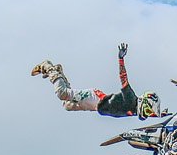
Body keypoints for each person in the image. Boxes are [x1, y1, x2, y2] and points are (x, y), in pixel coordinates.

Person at [32, 43, 160, 118]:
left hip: (94, 107)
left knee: (67, 106)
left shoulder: (133, 111)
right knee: (62, 94)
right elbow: (123, 77)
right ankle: (48, 67)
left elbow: (154, 116)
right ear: (144, 102)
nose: (147, 114)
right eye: (148, 110)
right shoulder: (130, 98)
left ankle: (59, 73)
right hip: (94, 98)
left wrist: (161, 114)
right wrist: (120, 59)